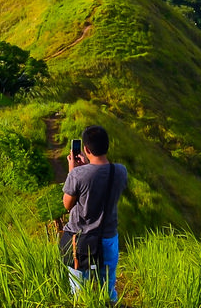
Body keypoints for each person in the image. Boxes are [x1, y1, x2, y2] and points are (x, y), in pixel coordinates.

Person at [60, 124, 127, 303]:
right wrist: (85, 168)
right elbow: (99, 179)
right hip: (108, 238)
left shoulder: (78, 175)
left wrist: (74, 171)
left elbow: (67, 204)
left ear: (86, 149)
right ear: (107, 146)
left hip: (81, 241)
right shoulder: (121, 171)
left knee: (80, 292)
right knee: (108, 288)